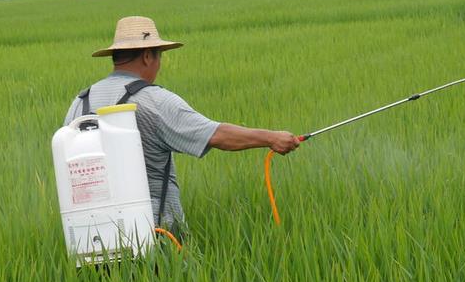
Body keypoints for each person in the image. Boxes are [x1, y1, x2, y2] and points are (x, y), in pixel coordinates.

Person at [63, 16, 300, 240]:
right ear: (147, 56)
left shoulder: (81, 101)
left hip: (89, 234)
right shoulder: (154, 100)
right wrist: (272, 138)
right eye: (159, 57)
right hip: (154, 231)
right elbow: (216, 135)